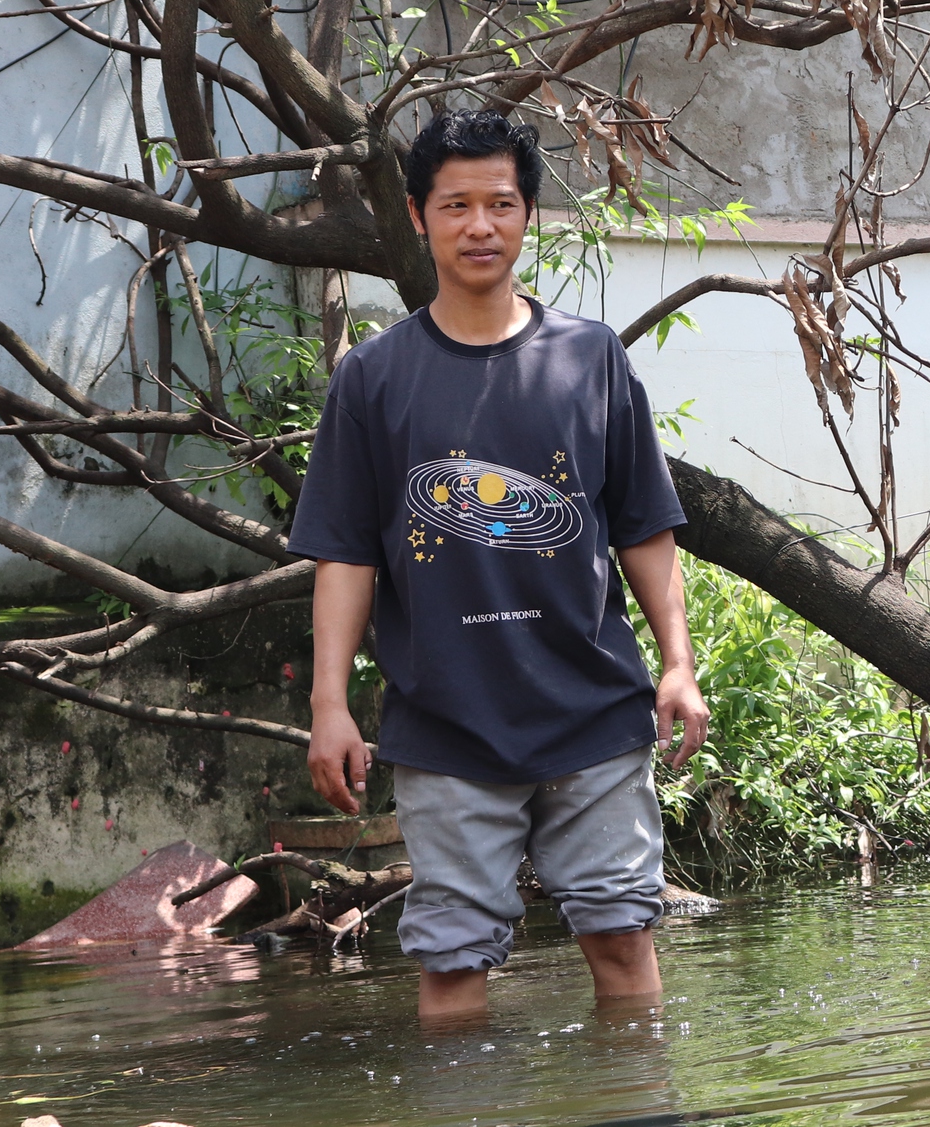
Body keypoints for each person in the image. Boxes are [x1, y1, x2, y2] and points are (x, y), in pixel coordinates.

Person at [296, 108, 708, 1021]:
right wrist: (329, 705)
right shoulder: (374, 378)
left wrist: (677, 664)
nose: (479, 225)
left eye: (500, 203)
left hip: (592, 712)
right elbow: (345, 552)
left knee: (621, 937)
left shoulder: (591, 357)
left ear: (527, 215)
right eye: (455, 205)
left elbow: (644, 525)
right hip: (446, 723)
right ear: (418, 216)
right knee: (451, 965)